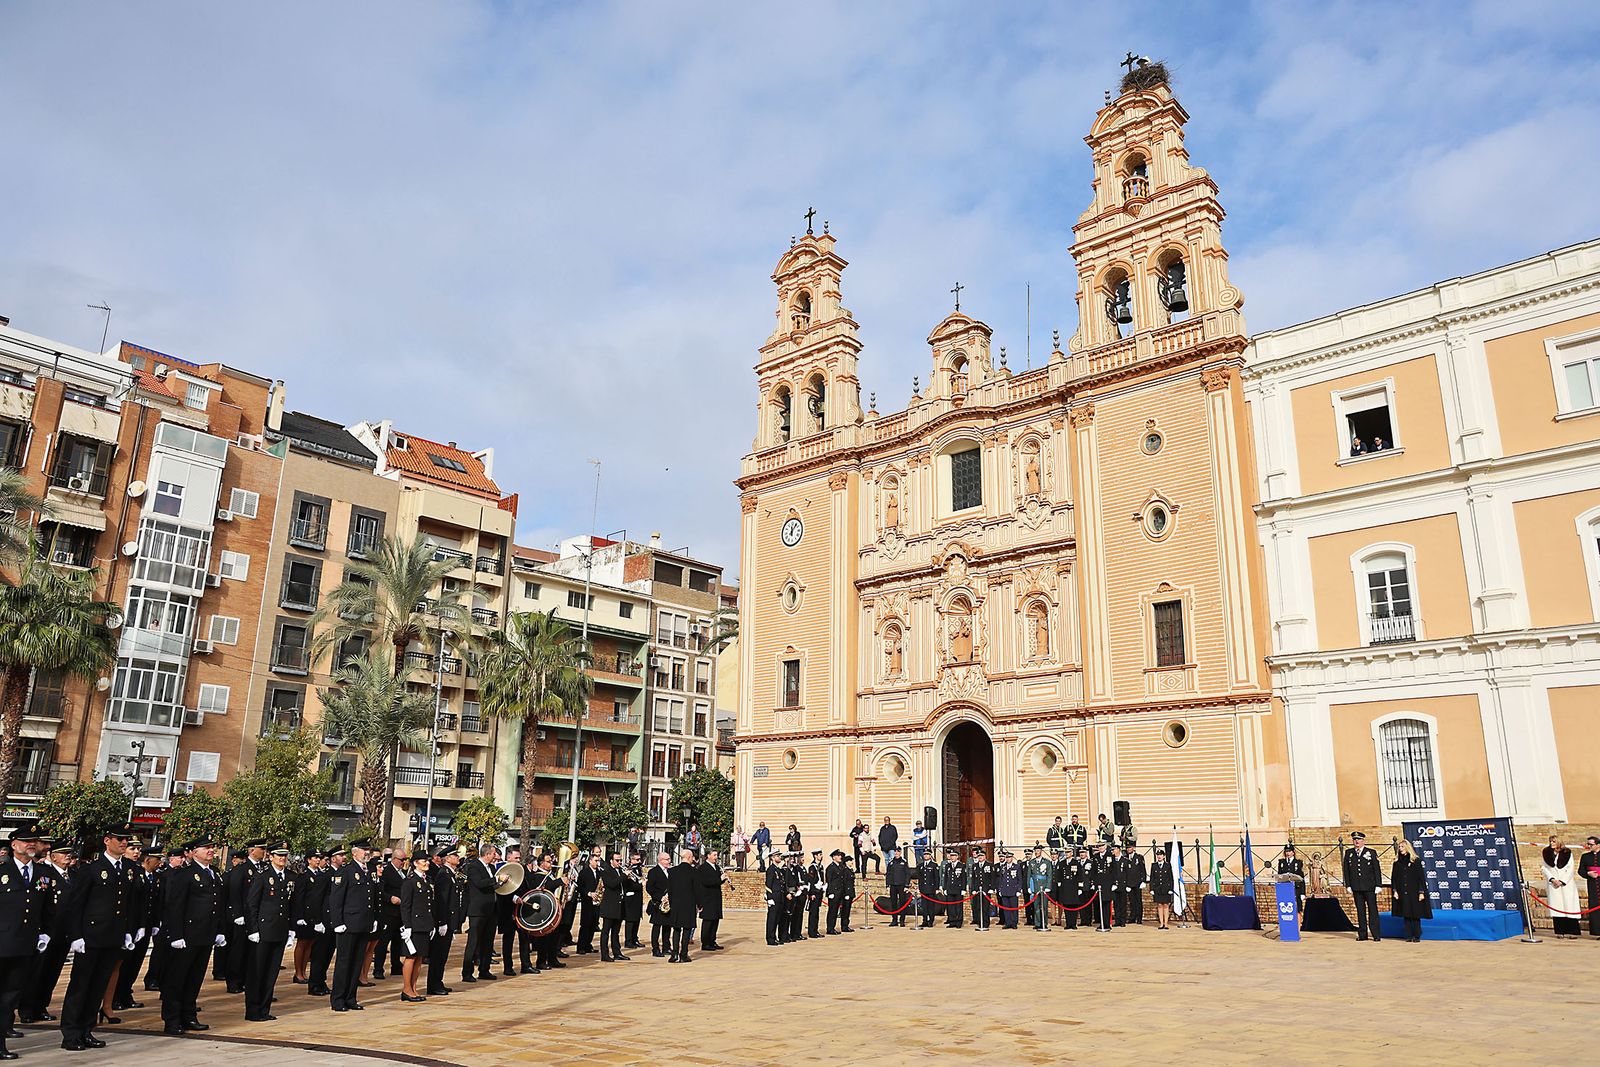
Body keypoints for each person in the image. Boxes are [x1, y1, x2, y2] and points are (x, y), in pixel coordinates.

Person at [56, 823, 137, 1052]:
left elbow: (127, 904)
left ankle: (86, 1029)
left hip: (112, 936)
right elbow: (76, 905)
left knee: (98, 986)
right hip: (90, 937)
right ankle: (71, 1033)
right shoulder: (91, 869)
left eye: (126, 839)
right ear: (107, 840)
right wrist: (76, 936)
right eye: (119, 839)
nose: (124, 842)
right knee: (81, 986)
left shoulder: (127, 869)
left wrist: (127, 931)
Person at [158, 837, 223, 1036]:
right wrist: (176, 935)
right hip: (186, 936)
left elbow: (216, 904)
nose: (210, 851)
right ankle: (172, 1019)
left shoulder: (214, 873)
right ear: (194, 852)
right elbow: (175, 906)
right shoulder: (184, 874)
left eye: (212, 847)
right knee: (177, 979)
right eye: (206, 848)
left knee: (195, 978)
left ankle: (189, 1015)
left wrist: (219, 930)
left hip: (205, 935)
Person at [0, 822, 48, 1061]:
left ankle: (0, 1043)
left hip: (26, 944)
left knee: (10, 996)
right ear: (14, 844)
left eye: (34, 841)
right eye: (27, 841)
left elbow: (47, 909)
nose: (31, 844)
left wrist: (45, 933)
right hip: (2, 942)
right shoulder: (3, 871)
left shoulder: (41, 873)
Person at [19, 842, 71, 1025]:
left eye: (69, 853)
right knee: (37, 973)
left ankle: (41, 1006)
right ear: (53, 857)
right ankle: (27, 1008)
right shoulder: (46, 873)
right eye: (63, 853)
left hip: (64, 933)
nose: (67, 856)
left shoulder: (73, 875)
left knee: (52, 974)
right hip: (47, 933)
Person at [243, 842, 294, 1021]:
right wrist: (253, 929)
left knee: (271, 973)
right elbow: (251, 904)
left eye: (285, 855)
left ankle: (264, 1009)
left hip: (279, 930)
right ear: (271, 857)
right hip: (263, 931)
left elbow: (290, 905)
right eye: (279, 855)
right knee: (257, 972)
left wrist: (291, 930)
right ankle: (253, 1010)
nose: (282, 858)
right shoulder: (263, 876)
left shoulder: (289, 877)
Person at [327, 839, 378, 1011]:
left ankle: (351, 997)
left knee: (357, 963)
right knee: (344, 963)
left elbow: (371, 897)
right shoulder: (346, 871)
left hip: (363, 924)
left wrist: (373, 919)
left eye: (368, 850)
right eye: (364, 850)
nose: (367, 853)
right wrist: (337, 922)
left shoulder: (369, 871)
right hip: (348, 924)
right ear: (354, 852)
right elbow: (336, 899)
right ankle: (338, 999)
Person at [224, 838, 267, 994]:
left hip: (256, 916)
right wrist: (237, 914)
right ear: (252, 850)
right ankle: (234, 981)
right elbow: (234, 892)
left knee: (252, 951)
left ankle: (248, 980)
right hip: (242, 915)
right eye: (261, 848)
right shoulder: (242, 869)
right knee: (238, 949)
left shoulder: (264, 868)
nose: (264, 851)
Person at [461, 843, 501, 981]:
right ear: (487, 854)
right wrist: (496, 879)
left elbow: (491, 885)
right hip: (478, 910)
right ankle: (467, 972)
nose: (495, 856)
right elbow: (479, 883)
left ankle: (484, 969)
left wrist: (499, 884)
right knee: (474, 942)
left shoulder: (491, 868)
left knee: (488, 942)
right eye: (494, 853)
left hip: (491, 909)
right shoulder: (474, 866)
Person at [426, 846, 460, 995]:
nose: (458, 858)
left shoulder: (450, 874)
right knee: (438, 955)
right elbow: (441, 901)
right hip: (444, 921)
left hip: (449, 920)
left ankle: (438, 982)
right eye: (455, 855)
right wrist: (442, 922)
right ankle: (433, 985)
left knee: (443, 955)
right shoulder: (444, 875)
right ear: (447, 858)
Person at [1342, 831, 1382, 942]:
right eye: (1355, 839)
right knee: (1360, 911)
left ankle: (1376, 934)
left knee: (1373, 910)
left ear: (1363, 841)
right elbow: (1346, 870)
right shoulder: (1349, 853)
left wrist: (1378, 884)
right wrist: (1348, 884)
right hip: (1356, 886)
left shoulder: (1371, 852)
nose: (1357, 841)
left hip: (1369, 886)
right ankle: (1362, 934)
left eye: (1359, 839)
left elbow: (1376, 869)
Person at [1389, 840, 1431, 943]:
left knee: (1415, 914)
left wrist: (1421, 892)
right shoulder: (1397, 863)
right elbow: (1394, 878)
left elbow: (1421, 878)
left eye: (1402, 847)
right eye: (1399, 847)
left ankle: (1417, 935)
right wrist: (1395, 891)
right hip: (1402, 891)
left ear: (1407, 848)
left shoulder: (1415, 861)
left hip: (1414, 891)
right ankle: (1408, 935)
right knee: (1406, 913)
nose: (1400, 849)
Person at [666, 847, 702, 963]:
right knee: (687, 929)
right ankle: (683, 954)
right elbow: (697, 890)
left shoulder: (672, 871)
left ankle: (674, 954)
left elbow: (670, 889)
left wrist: (671, 902)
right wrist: (700, 904)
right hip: (689, 904)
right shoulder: (694, 872)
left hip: (676, 904)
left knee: (676, 929)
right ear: (689, 857)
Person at [1543, 836, 1582, 939]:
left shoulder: (1567, 853)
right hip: (1553, 884)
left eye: (1554, 841)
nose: (1551, 843)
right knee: (1557, 907)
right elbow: (1544, 868)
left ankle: (1573, 931)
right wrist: (1552, 879)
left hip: (1566, 884)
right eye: (1550, 841)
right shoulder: (1546, 853)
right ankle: (1560, 931)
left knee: (1569, 906)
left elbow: (1570, 868)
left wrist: (1562, 881)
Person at [598, 853, 628, 963]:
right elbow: (612, 884)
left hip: (619, 905)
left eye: (620, 860)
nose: (619, 862)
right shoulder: (606, 871)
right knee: (606, 931)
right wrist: (624, 876)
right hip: (609, 905)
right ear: (611, 861)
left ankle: (617, 953)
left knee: (616, 932)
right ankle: (604, 954)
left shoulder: (620, 871)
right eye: (617, 860)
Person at [698, 849, 729, 950]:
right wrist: (720, 879)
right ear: (708, 856)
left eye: (717, 855)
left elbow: (717, 882)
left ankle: (712, 941)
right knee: (708, 921)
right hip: (707, 898)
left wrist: (723, 879)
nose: (716, 857)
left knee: (715, 920)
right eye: (714, 855)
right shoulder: (703, 868)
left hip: (716, 897)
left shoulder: (717, 867)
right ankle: (705, 943)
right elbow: (706, 882)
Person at [647, 851, 675, 955]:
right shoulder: (653, 872)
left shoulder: (670, 871)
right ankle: (655, 948)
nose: (669, 861)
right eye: (667, 859)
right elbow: (649, 888)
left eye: (669, 859)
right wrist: (661, 897)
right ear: (660, 860)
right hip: (658, 903)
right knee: (657, 926)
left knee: (667, 926)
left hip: (669, 903)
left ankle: (666, 947)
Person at [762, 853, 787, 945]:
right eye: (777, 856)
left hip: (779, 897)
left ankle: (774, 937)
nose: (779, 857)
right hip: (774, 897)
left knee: (777, 919)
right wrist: (769, 898)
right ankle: (770, 938)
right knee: (772, 919)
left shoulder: (778, 870)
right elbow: (768, 885)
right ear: (772, 858)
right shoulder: (771, 869)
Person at [1024, 845, 1051, 931]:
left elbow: (1049, 875)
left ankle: (1044, 923)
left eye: (1038, 851)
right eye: (1035, 851)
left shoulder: (1046, 862)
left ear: (1041, 852)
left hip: (1043, 886)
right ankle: (1038, 923)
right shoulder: (1032, 862)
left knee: (1044, 906)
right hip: (1035, 887)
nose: (1036, 852)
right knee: (1036, 906)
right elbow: (1029, 875)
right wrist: (1029, 886)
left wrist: (1048, 886)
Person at [824, 849, 851, 934]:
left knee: (837, 911)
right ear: (833, 857)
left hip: (840, 892)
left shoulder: (841, 867)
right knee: (832, 911)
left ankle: (835, 927)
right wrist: (830, 892)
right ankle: (830, 928)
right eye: (838, 855)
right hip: (834, 892)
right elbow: (829, 881)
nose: (840, 857)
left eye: (840, 855)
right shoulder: (831, 868)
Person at [623, 852, 646, 949]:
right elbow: (629, 884)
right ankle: (628, 941)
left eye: (639, 859)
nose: (639, 861)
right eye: (637, 860)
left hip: (638, 897)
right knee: (630, 920)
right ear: (631, 860)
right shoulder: (628, 870)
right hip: (630, 898)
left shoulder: (639, 870)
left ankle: (635, 939)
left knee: (637, 919)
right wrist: (641, 884)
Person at [885, 848, 911, 926]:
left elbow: (907, 874)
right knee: (893, 903)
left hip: (901, 885)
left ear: (900, 853)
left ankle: (902, 920)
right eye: (895, 852)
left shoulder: (904, 862)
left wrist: (906, 885)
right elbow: (888, 874)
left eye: (898, 852)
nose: (896, 853)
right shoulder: (891, 863)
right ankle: (894, 920)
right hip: (893, 885)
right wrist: (887, 885)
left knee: (902, 903)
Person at [1122, 845, 1147, 927]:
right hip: (1129, 883)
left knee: (1138, 901)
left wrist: (1143, 880)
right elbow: (1125, 872)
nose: (1128, 849)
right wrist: (1126, 883)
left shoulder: (1139, 857)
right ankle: (1132, 917)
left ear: (1133, 848)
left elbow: (1143, 869)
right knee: (1131, 901)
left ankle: (1139, 918)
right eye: (1127, 848)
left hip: (1137, 883)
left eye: (1130, 847)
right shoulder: (1125, 858)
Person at [1150, 848, 1175, 929]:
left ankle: (1166, 923)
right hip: (1157, 889)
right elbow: (1152, 878)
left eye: (1160, 855)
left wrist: (1171, 888)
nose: (1159, 856)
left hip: (1166, 888)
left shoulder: (1168, 865)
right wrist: (1152, 889)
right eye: (1158, 855)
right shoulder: (1154, 865)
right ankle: (1161, 923)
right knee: (1160, 905)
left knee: (1166, 905)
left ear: (1164, 856)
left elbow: (1170, 878)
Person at [1276, 845, 1306, 915]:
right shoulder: (1282, 862)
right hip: (1285, 888)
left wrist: (1303, 893)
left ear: (1293, 852)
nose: (1288, 853)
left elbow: (1301, 878)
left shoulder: (1298, 863)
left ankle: (1298, 920)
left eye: (1289, 851)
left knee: (1297, 908)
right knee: (1285, 907)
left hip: (1296, 888)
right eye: (1286, 851)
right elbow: (1279, 876)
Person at [969, 846, 993, 930]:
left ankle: (986, 923)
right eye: (979, 856)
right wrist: (973, 889)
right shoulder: (975, 866)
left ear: (985, 857)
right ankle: (980, 922)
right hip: (977, 890)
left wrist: (992, 888)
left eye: (982, 856)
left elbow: (992, 877)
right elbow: (973, 879)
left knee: (985, 907)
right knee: (978, 907)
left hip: (986, 890)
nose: (980, 857)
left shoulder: (989, 865)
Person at [915, 847, 940, 929]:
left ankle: (931, 920)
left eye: (927, 854)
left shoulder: (934, 865)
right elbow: (920, 878)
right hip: (923, 889)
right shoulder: (920, 866)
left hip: (931, 888)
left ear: (930, 855)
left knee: (931, 906)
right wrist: (919, 887)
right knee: (924, 906)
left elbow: (936, 877)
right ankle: (925, 920)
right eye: (925, 854)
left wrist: (937, 888)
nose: (926, 856)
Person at [803, 850, 825, 938]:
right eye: (820, 855)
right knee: (813, 913)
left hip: (819, 891)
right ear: (815, 856)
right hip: (814, 892)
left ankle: (815, 930)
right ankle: (812, 932)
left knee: (816, 913)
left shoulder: (821, 866)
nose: (821, 856)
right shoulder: (812, 867)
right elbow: (811, 881)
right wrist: (811, 893)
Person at [1582, 836, 1600, 940]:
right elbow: (1581, 870)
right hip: (1592, 885)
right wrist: (1588, 873)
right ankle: (1597, 931)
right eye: (1588, 844)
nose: (1589, 846)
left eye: (1591, 844)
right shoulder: (1585, 856)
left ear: (1598, 845)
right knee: (1594, 907)